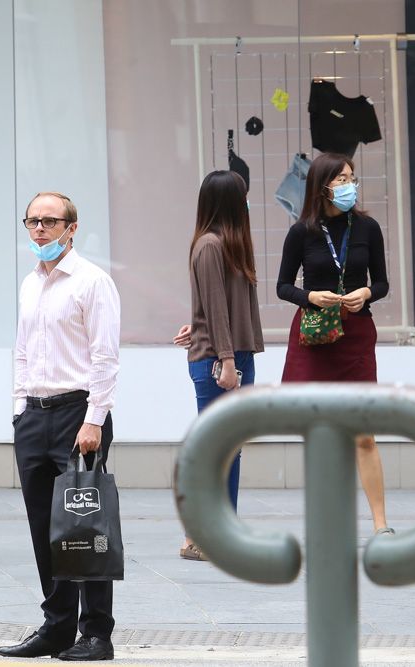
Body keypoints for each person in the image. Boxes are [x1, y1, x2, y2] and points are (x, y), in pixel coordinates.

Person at [0, 192, 120, 661]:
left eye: (51, 221)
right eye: (32, 221)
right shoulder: (31, 284)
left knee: (85, 529)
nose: (40, 229)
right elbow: (22, 351)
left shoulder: (92, 282)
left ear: (72, 227)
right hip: (34, 416)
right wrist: (18, 411)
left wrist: (94, 419)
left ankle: (96, 634)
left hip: (77, 416)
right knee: (44, 529)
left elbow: (105, 357)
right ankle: (57, 627)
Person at [277, 152, 393, 535]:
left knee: (363, 434)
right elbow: (282, 286)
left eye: (351, 178)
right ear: (322, 184)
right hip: (314, 334)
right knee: (320, 433)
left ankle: (380, 524)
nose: (349, 185)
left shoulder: (367, 227)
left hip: (356, 332)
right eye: (341, 179)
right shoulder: (302, 231)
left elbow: (382, 283)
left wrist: (366, 293)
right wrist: (310, 297)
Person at [172, 171, 264, 561]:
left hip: (235, 355)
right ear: (230, 201)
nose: (247, 202)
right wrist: (226, 359)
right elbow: (215, 305)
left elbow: (220, 306)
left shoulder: (230, 245)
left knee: (230, 448)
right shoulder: (210, 246)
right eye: (242, 196)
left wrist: (201, 325)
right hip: (220, 361)